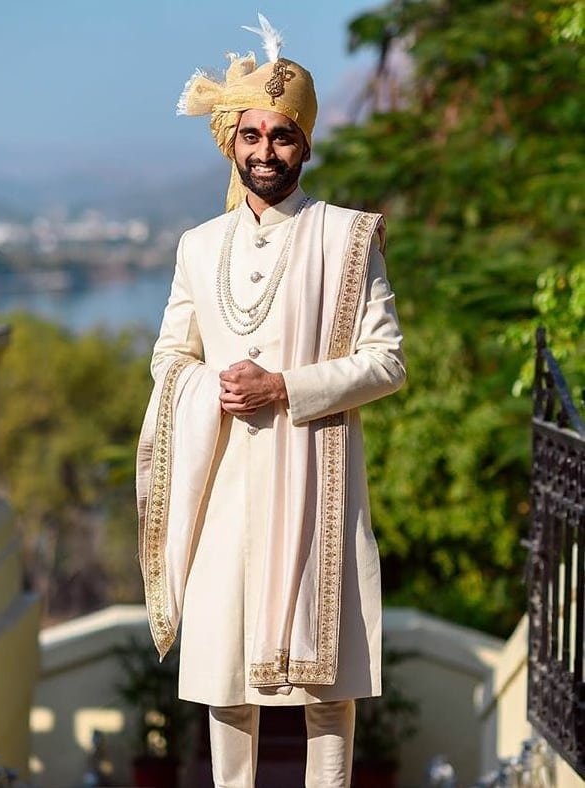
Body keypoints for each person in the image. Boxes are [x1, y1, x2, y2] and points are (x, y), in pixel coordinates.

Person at [136, 15, 406, 788]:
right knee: (226, 680)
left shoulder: (350, 240)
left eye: (281, 137)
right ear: (232, 141)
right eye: (251, 135)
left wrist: (285, 386)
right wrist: (203, 390)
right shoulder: (197, 246)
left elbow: (387, 362)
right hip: (226, 485)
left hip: (320, 483)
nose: (264, 151)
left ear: (305, 144)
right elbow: (170, 356)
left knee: (328, 685)